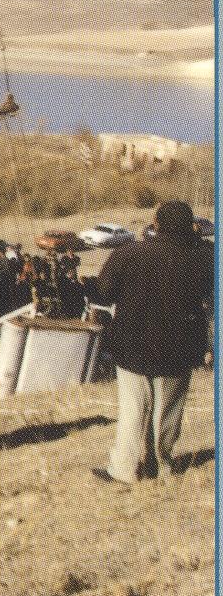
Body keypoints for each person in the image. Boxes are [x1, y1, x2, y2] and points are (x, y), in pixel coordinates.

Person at [92, 201, 214, 484]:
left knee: (133, 408)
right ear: (191, 226)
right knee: (168, 410)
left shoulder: (129, 253)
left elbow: (104, 292)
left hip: (131, 343)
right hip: (180, 346)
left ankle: (124, 469)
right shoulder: (205, 257)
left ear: (156, 224)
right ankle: (160, 466)